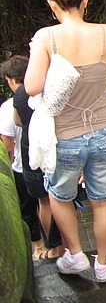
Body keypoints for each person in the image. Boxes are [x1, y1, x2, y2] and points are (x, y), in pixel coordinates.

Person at [24, 0, 106, 282]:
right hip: (104, 131)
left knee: (60, 196)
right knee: (104, 200)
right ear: (86, 1)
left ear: (52, 4)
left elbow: (32, 86)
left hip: (64, 135)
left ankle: (75, 256)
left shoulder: (47, 37)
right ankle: (102, 264)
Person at [1, 56, 64, 260]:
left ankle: (51, 247)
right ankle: (70, 246)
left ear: (10, 79)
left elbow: (13, 131)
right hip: (55, 151)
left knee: (42, 204)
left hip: (29, 158)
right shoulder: (50, 88)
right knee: (61, 200)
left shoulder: (15, 100)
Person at [0, 76, 45, 260]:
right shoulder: (43, 96)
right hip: (46, 161)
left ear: (10, 80)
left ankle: (39, 247)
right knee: (50, 203)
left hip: (22, 166)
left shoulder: (8, 107)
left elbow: (8, 145)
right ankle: (58, 245)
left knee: (30, 210)